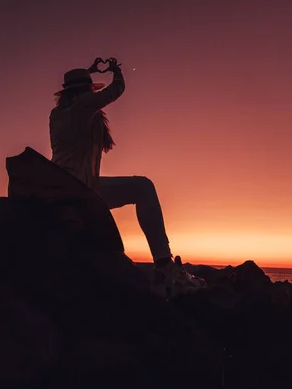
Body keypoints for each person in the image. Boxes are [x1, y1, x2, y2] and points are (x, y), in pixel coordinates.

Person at [49, 57, 204, 297]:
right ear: (84, 91)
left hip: (61, 185)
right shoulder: (82, 107)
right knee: (143, 187)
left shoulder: (57, 114)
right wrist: (115, 71)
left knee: (140, 187)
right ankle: (164, 265)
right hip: (82, 188)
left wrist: (87, 76)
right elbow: (116, 91)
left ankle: (163, 266)